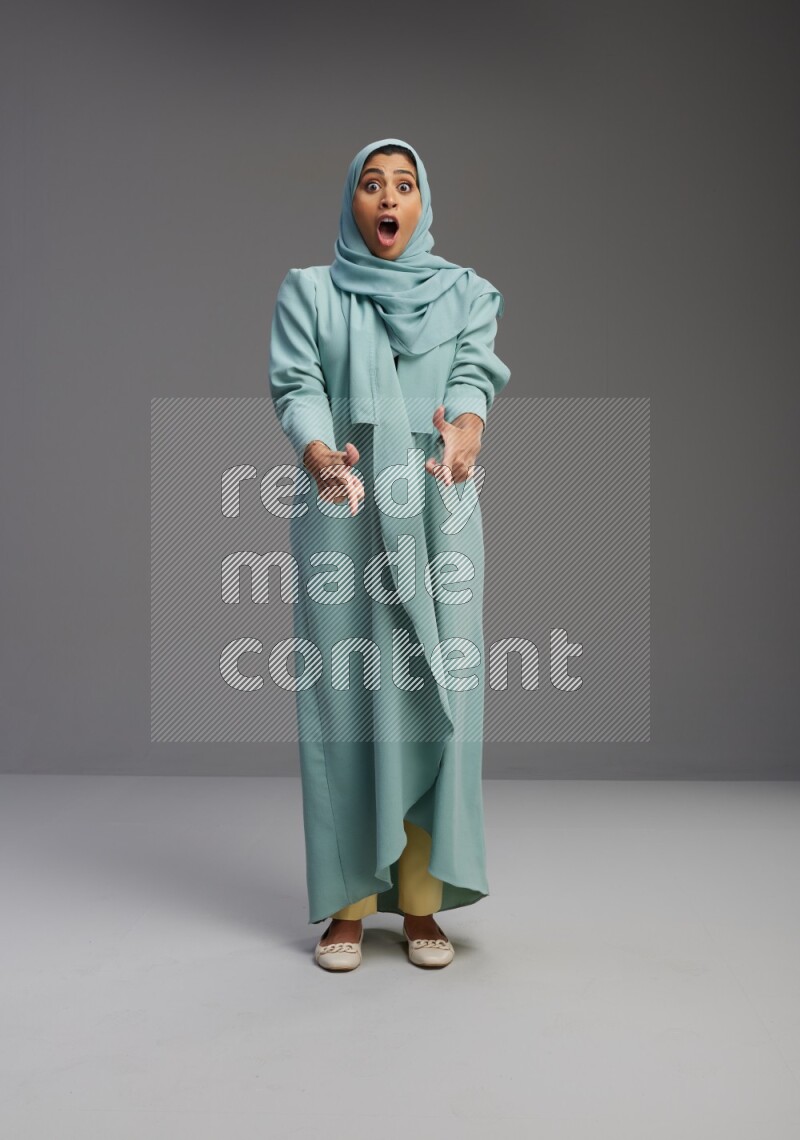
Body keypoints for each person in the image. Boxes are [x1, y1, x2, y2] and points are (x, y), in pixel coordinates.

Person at [268, 137, 510, 970]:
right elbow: (297, 385)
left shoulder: (466, 293)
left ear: (422, 204)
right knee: (344, 699)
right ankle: (345, 904)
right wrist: (317, 452)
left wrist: (469, 434)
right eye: (372, 184)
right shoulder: (311, 292)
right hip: (347, 500)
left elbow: (475, 378)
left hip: (436, 503)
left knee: (434, 694)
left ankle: (419, 904)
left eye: (403, 185)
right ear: (353, 202)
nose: (387, 198)